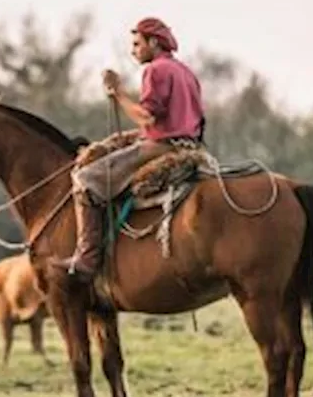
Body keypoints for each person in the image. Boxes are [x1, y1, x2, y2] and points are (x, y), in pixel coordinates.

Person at [51, 16, 206, 280]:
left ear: (154, 42)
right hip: (191, 145)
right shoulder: (185, 71)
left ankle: (87, 257)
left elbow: (147, 117)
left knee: (85, 179)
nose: (133, 50)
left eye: (137, 44)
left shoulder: (155, 70)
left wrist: (118, 92)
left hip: (163, 148)